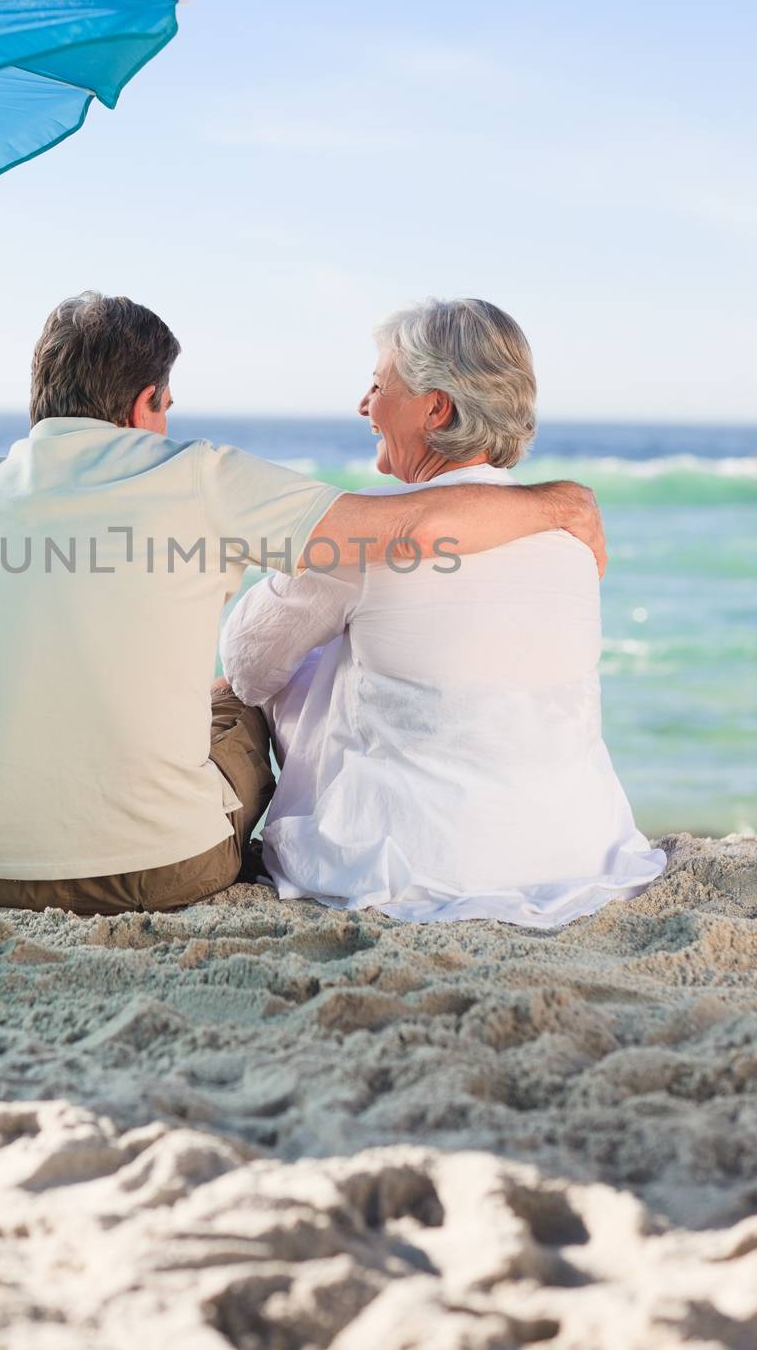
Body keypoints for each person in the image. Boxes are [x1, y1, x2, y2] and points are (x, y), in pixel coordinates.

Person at [0, 291, 605, 916]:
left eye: (375, 385)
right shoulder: (199, 476)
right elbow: (405, 528)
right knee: (234, 705)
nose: (362, 402)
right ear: (145, 402)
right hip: (174, 868)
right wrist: (560, 503)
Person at [220, 298, 666, 929]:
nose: (363, 406)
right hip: (576, 847)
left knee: (284, 664)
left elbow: (245, 667)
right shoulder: (573, 534)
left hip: (407, 861)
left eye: (378, 385)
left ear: (436, 408)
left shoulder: (375, 536)